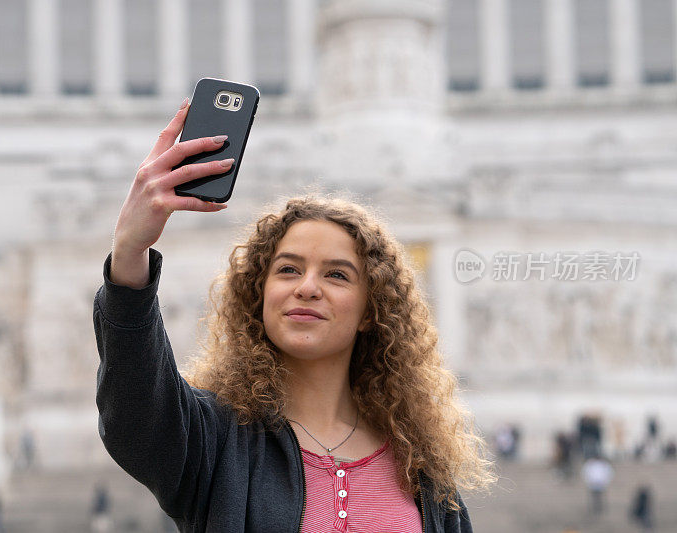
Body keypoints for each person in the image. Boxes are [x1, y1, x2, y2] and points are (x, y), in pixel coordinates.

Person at [93, 98, 495, 532]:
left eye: (337, 275)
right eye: (288, 269)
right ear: (259, 296)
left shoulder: (424, 471)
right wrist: (130, 253)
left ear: (369, 310)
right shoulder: (214, 441)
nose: (307, 287)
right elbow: (135, 413)